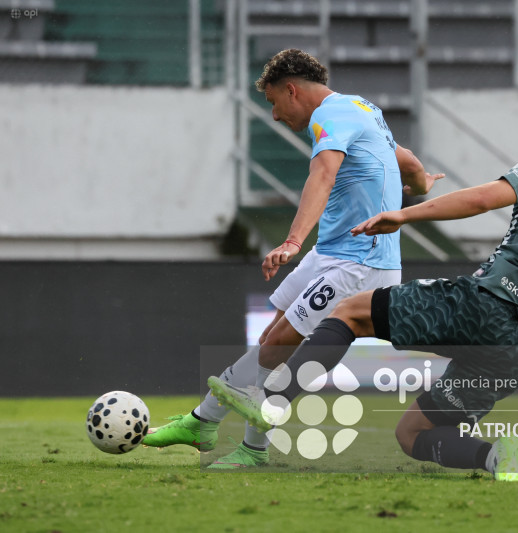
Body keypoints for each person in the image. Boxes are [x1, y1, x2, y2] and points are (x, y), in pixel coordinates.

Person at [209, 88, 518, 480]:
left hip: (484, 306)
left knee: (351, 311)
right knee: (413, 433)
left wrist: (405, 214)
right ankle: (495, 456)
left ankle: (273, 405)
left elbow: (483, 198)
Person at [143, 49, 443, 468]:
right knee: (272, 340)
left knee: (282, 342)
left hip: (359, 262)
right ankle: (225, 434)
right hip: (334, 251)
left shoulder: (330, 117)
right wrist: (419, 182)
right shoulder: (360, 108)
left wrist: (291, 240)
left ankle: (213, 428)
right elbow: (404, 158)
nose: (275, 115)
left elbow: (323, 174)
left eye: (273, 103)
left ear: (292, 90)